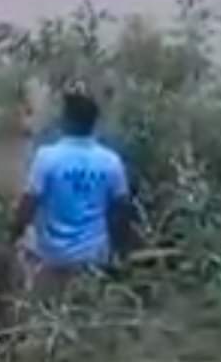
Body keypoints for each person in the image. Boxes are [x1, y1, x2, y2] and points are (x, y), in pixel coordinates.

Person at [10, 90, 132, 294]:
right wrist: (120, 252)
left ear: (65, 121)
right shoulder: (111, 161)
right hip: (94, 258)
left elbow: (28, 205)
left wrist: (12, 236)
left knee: (49, 312)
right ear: (94, 123)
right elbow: (122, 210)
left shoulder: (46, 158)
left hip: (52, 258)